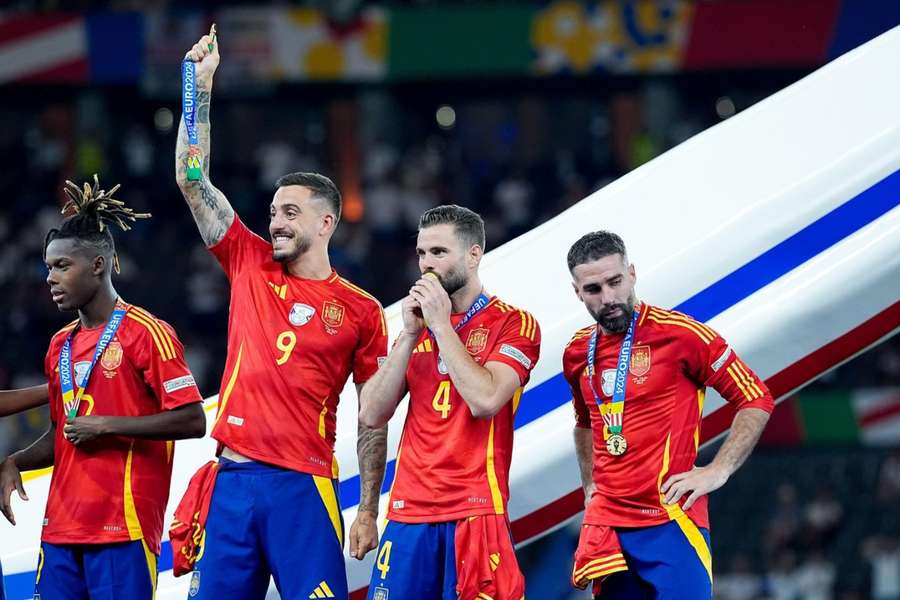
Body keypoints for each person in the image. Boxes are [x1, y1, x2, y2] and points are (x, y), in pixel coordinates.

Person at [174, 27, 388, 599]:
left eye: (291, 212)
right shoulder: (249, 260)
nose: (276, 222)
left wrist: (367, 509)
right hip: (232, 482)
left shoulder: (362, 311)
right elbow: (193, 180)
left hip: (304, 485)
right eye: (273, 211)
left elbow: (373, 419)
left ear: (326, 224)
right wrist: (198, 88)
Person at [0, 176, 206, 599]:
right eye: (48, 267)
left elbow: (192, 418)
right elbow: (65, 431)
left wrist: (107, 426)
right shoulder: (60, 344)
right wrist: (16, 460)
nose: (50, 278)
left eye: (61, 266)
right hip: (60, 529)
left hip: (121, 528)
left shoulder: (146, 332)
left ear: (97, 265)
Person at [563, 231, 773, 599]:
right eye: (594, 289)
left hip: (671, 518)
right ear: (577, 292)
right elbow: (584, 423)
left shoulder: (682, 335)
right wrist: (589, 486)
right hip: (609, 525)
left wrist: (717, 470)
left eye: (615, 281)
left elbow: (755, 397)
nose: (609, 297)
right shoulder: (577, 351)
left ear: (632, 273)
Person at [359, 205, 541, 600]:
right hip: (409, 512)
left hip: (474, 510)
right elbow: (371, 413)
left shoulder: (513, 323)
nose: (426, 266)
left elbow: (486, 399)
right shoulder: (415, 327)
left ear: (473, 255)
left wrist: (442, 325)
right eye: (422, 253)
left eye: (439, 253)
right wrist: (408, 336)